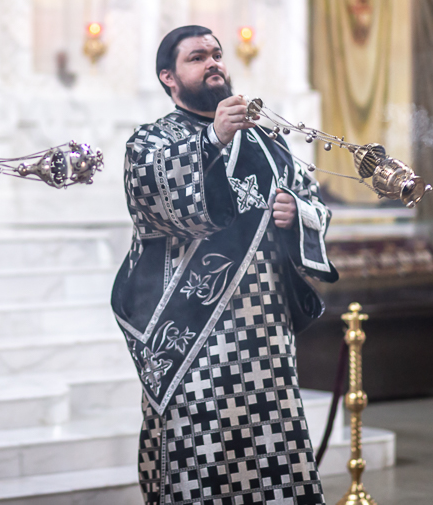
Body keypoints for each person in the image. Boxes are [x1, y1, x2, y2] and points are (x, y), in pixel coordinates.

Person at [111, 26, 338, 505]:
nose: (213, 62)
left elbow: (316, 205)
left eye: (217, 54)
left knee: (272, 451)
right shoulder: (152, 140)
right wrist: (214, 137)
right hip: (193, 334)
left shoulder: (267, 142)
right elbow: (154, 201)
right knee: (199, 453)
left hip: (265, 334)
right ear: (168, 77)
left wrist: (298, 213)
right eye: (197, 57)